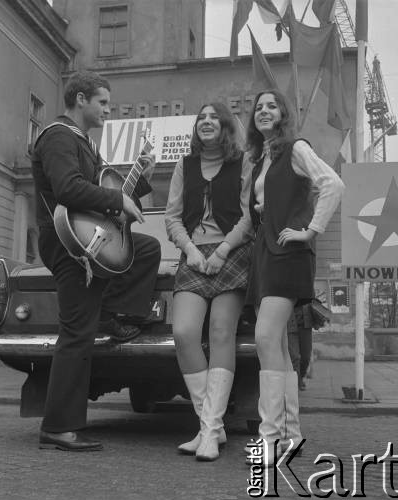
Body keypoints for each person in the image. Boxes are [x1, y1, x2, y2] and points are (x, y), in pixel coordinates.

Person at [32, 71, 161, 452]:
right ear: (82, 98)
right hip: (68, 243)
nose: (108, 109)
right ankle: (58, 426)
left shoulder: (84, 143)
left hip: (86, 239)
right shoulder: (58, 135)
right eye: (103, 102)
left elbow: (104, 190)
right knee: (76, 334)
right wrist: (118, 201)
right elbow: (69, 188)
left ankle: (110, 313)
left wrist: (139, 182)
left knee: (147, 250)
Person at [245, 89, 344, 465]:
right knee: (281, 349)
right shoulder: (262, 160)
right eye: (259, 108)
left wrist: (311, 230)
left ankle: (269, 437)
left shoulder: (296, 149)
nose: (264, 111)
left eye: (272, 106)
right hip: (266, 253)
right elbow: (268, 204)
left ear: (283, 114)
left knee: (266, 336)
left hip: (289, 252)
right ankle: (290, 436)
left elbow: (333, 184)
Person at [165, 102, 253, 461]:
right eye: (201, 117)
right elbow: (172, 218)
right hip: (194, 254)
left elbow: (250, 214)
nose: (206, 121)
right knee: (184, 333)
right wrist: (193, 251)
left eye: (214, 117)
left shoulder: (242, 162)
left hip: (232, 253)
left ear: (226, 127)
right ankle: (210, 428)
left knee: (220, 332)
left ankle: (208, 431)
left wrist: (221, 251)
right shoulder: (184, 166)